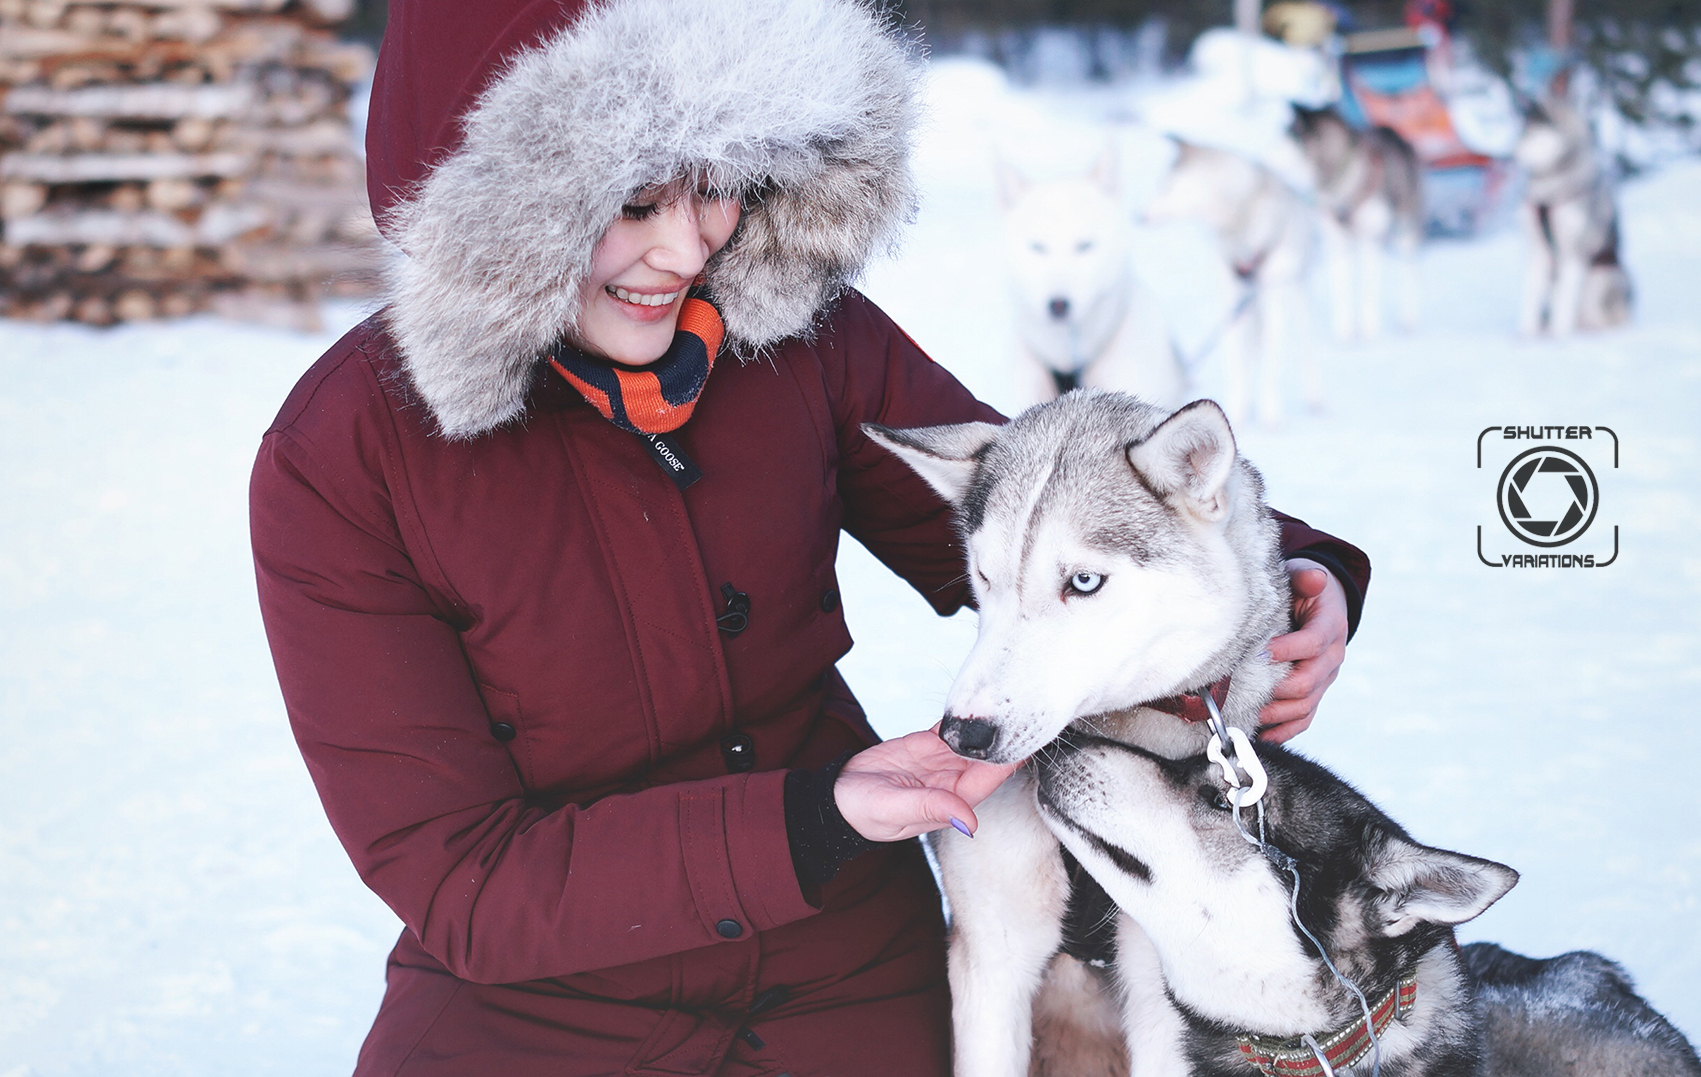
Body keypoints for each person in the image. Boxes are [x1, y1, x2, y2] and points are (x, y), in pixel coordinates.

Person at [250, 1, 1371, 1074]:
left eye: (724, 186)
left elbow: (1042, 509)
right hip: (541, 1003)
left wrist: (1292, 574)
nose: (691, 251)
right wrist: (812, 815)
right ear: (496, 211)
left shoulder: (790, 335)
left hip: (840, 965)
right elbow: (465, 883)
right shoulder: (346, 460)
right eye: (637, 202)